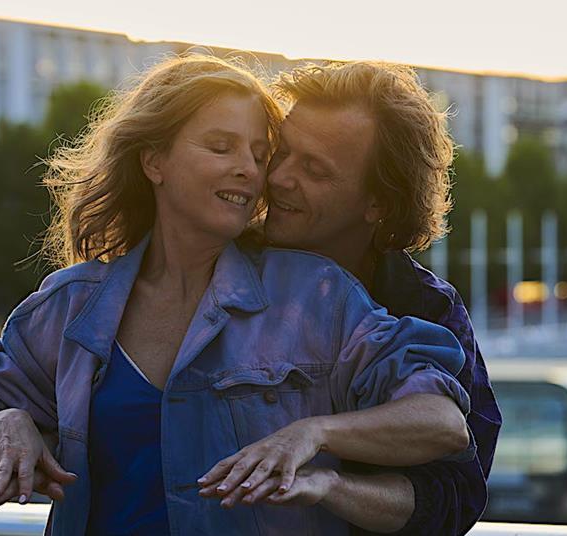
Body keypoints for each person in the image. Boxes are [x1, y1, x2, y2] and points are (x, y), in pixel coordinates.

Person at [0, 54, 474, 535]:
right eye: (221, 147)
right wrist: (4, 424)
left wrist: (312, 436)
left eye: (260, 153)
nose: (256, 172)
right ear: (154, 160)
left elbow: (443, 424)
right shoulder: (70, 306)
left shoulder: (318, 297)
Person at [211, 61, 502, 535]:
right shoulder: (213, 262)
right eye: (281, 153)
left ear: (380, 203)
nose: (279, 177)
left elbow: (451, 497)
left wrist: (327, 478)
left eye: (314, 169)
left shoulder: (427, 310)